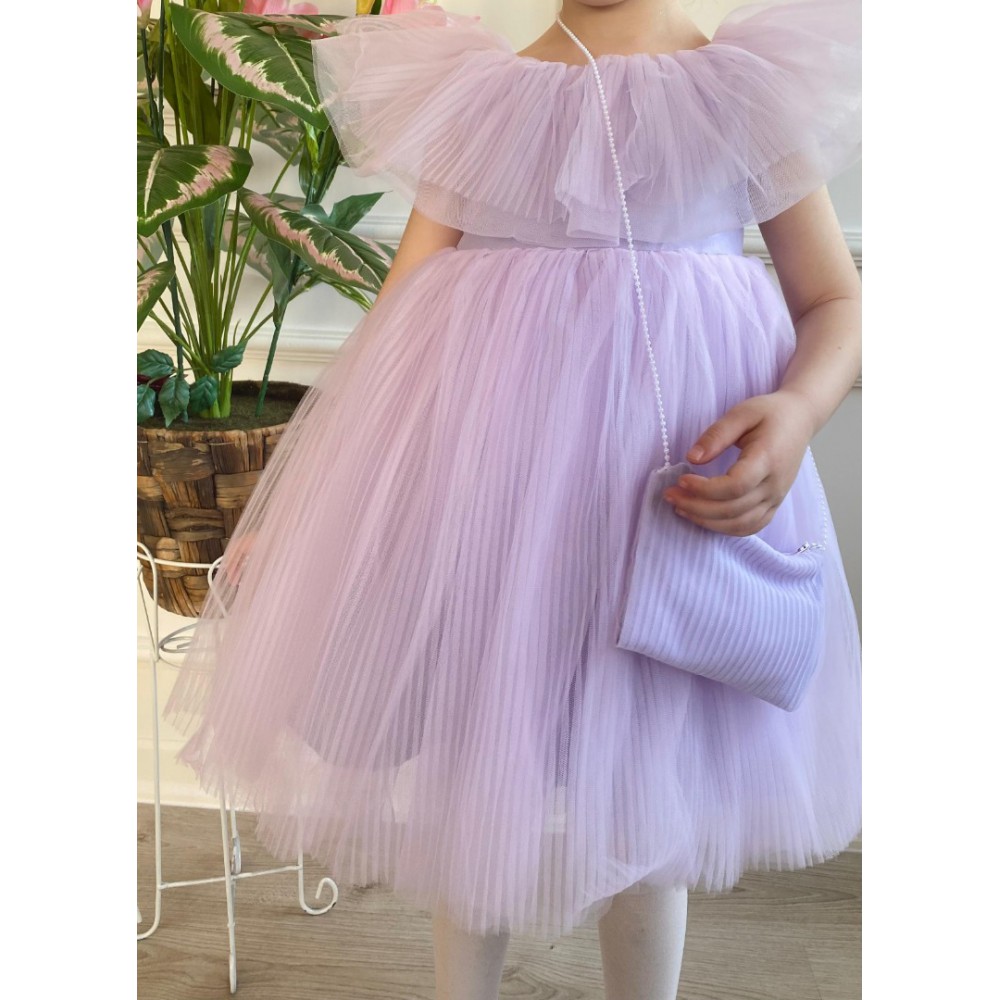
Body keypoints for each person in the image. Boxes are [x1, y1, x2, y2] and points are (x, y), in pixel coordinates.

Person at [166, 1, 861, 997]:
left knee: (648, 769)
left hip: (667, 507)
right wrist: (294, 512)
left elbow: (833, 298)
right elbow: (401, 315)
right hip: (490, 503)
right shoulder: (479, 96)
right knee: (480, 758)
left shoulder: (746, 90)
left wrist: (796, 412)